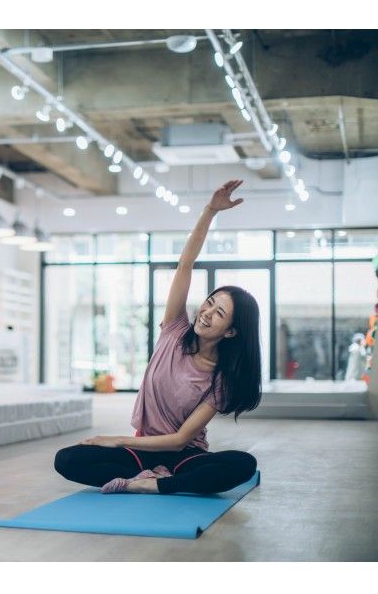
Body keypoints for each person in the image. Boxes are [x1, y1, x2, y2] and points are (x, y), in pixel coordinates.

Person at [54, 180, 261, 495]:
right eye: (209, 303)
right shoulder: (175, 329)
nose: (206, 313)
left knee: (243, 464)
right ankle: (152, 480)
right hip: (141, 450)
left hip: (184, 455)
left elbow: (179, 440)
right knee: (66, 459)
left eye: (219, 314)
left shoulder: (221, 379)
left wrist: (115, 439)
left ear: (231, 332)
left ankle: (154, 484)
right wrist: (210, 211)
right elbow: (185, 265)